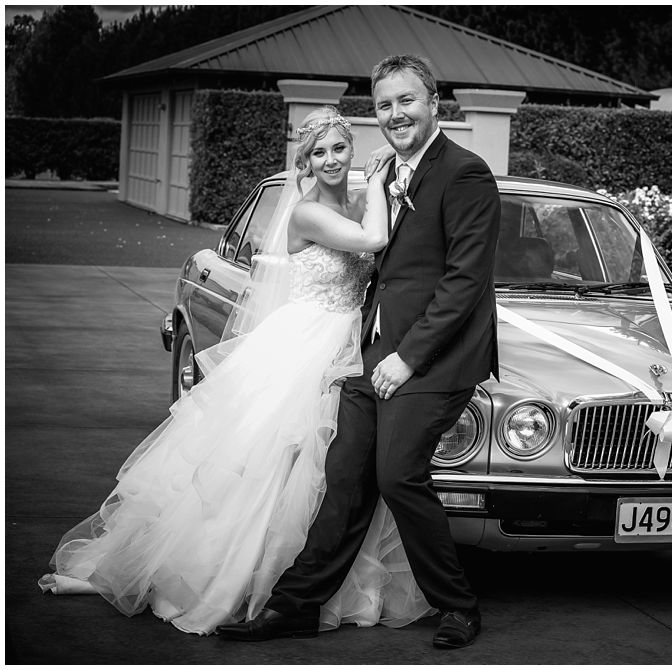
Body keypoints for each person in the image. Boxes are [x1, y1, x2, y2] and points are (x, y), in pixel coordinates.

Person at [38, 106, 435, 635]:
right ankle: (240, 577)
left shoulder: (361, 201)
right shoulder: (308, 212)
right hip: (306, 342)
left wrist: (385, 185)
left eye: (340, 148)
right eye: (319, 152)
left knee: (333, 470)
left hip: (353, 339)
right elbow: (374, 242)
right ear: (307, 163)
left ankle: (310, 576)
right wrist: (384, 178)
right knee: (275, 460)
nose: (332, 159)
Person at [217, 54, 501, 649]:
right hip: (371, 351)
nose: (396, 114)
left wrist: (409, 357)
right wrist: (369, 349)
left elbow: (463, 279)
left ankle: (458, 606)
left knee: (396, 475)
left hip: (434, 357)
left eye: (406, 100)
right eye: (384, 105)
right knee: (345, 475)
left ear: (433, 103)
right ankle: (295, 606)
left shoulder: (465, 173)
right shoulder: (388, 171)